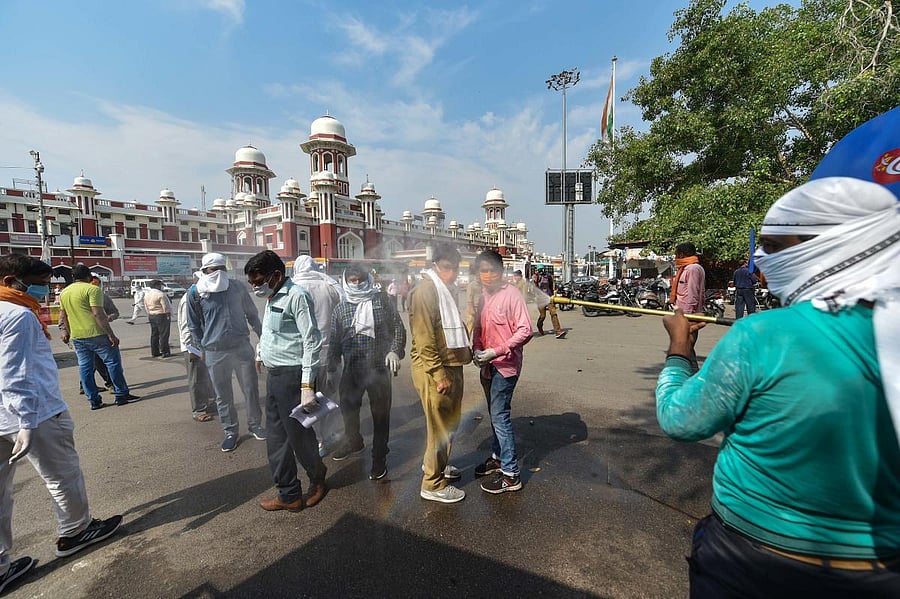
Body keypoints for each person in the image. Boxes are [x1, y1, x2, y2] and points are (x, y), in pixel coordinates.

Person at [656, 177, 900, 598]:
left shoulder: (761, 335)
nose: (761, 263)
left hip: (751, 560)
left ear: (827, 244)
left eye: (774, 246)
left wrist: (679, 349)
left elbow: (680, 418)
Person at [0, 255, 123, 594]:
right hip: (35, 414)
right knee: (62, 475)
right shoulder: (18, 315)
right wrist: (25, 419)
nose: (45, 290)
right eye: (39, 283)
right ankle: (75, 531)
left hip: (3, 416)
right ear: (11, 282)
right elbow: (16, 374)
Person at [245, 251, 327, 512]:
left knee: (299, 437)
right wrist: (261, 352)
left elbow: (312, 342)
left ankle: (317, 478)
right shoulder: (272, 296)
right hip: (274, 376)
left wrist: (307, 387)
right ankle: (289, 493)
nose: (255, 287)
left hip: (293, 378)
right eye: (252, 284)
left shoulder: (297, 296)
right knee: (277, 438)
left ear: (277, 275)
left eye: (259, 281)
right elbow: (271, 331)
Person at [326, 263, 406, 480]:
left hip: (379, 369)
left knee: (380, 415)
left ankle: (379, 458)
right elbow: (334, 342)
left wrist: (395, 351)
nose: (357, 283)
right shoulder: (341, 309)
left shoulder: (381, 300)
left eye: (360, 279)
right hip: (352, 369)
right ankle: (355, 442)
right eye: (353, 280)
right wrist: (330, 368)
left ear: (367, 279)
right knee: (348, 409)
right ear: (346, 281)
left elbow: (398, 326)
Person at [410, 243, 472, 504]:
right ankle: (433, 483)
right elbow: (425, 340)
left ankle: (437, 465)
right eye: (447, 268)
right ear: (436, 265)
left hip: (450, 364)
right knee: (439, 426)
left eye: (455, 269)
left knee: (449, 423)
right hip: (434, 369)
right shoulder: (426, 290)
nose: (452, 274)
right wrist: (438, 375)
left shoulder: (445, 289)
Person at [186, 253, 265, 452]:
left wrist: (264, 337)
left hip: (241, 348)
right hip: (214, 351)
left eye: (222, 269)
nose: (219, 274)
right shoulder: (196, 293)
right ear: (205, 271)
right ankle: (230, 431)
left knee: (250, 389)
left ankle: (255, 425)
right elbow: (193, 326)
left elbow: (252, 314)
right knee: (223, 395)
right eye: (214, 270)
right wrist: (200, 349)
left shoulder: (237, 287)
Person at [471, 251, 532, 494]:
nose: (487, 275)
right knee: (494, 415)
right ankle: (498, 457)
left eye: (492, 270)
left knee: (500, 417)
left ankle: (510, 474)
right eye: (483, 270)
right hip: (486, 365)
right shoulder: (483, 297)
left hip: (505, 366)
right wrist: (477, 348)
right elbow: (478, 327)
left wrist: (496, 351)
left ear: (501, 271)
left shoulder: (512, 294)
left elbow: (525, 330)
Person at [59, 264, 138, 410]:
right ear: (89, 275)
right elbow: (98, 313)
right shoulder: (92, 289)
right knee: (113, 363)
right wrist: (111, 334)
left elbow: (64, 316)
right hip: (97, 333)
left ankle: (94, 400)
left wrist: (69, 333)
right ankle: (121, 394)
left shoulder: (64, 292)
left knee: (85, 368)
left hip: (78, 336)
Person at [291, 255, 344, 454]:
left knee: (307, 399)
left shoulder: (291, 288)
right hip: (328, 353)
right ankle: (327, 437)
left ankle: (312, 438)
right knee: (328, 397)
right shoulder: (329, 286)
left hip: (300, 356)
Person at [178, 273, 216, 422]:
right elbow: (187, 326)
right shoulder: (190, 298)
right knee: (196, 379)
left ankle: (208, 403)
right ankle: (199, 409)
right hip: (193, 346)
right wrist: (191, 349)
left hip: (202, 344)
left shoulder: (200, 296)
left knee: (205, 376)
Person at [75, 276, 117, 394]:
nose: (93, 287)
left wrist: (110, 317)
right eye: (91, 284)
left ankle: (109, 385)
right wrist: (64, 330)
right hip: (80, 335)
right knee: (89, 364)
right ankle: (90, 386)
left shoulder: (104, 298)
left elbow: (115, 312)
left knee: (97, 362)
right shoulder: (75, 297)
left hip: (98, 333)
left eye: (96, 285)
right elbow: (65, 315)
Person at [669, 242, 705, 370]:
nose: (675, 257)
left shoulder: (693, 269)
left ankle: (694, 378)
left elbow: (692, 294)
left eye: (677, 254)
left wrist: (687, 318)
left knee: (686, 350)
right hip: (681, 314)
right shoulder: (685, 269)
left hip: (688, 316)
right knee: (687, 350)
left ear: (682, 254)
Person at [143, 280, 173, 358]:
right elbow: (165, 307)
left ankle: (155, 351)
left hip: (151, 315)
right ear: (157, 285)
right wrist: (168, 316)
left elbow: (146, 307)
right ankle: (165, 351)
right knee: (164, 334)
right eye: (160, 285)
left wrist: (150, 313)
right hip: (161, 315)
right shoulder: (160, 294)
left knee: (154, 334)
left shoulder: (147, 295)